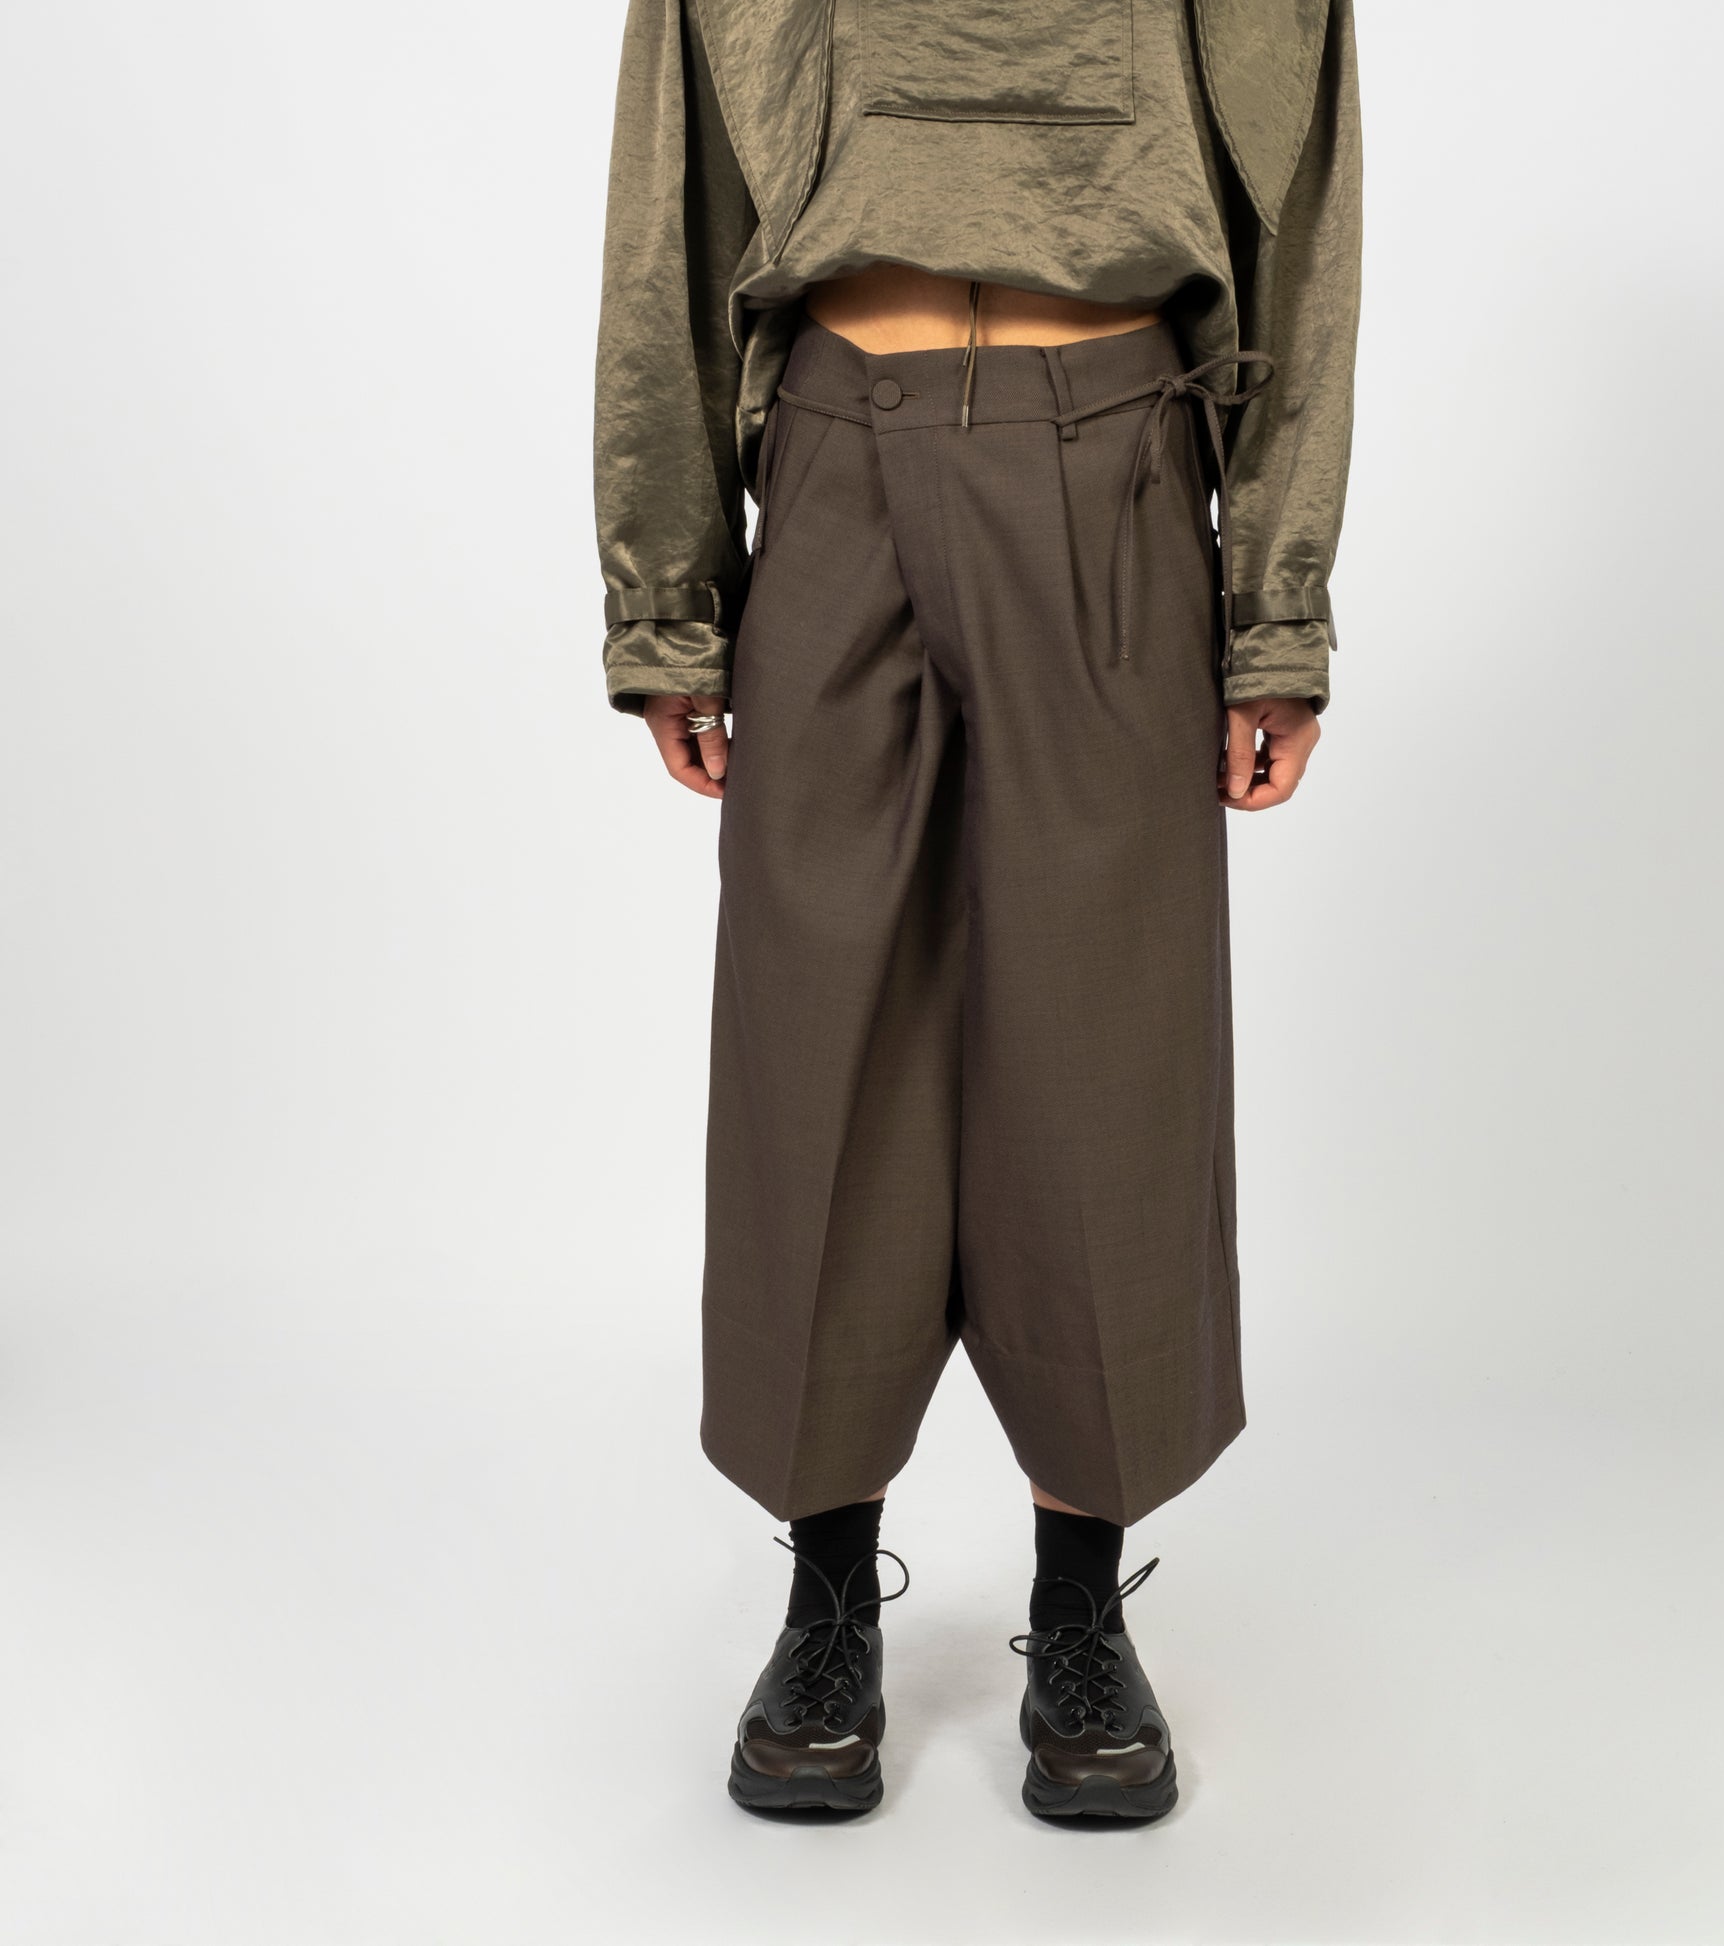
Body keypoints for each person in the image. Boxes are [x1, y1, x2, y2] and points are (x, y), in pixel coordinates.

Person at [593, 0, 1360, 1821]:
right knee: (814, 1036)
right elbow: (671, 216)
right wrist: (668, 597)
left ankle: (1081, 1606)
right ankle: (825, 1595)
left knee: (1103, 1047)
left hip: (1114, 451)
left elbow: (1301, 225)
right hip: (835, 454)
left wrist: (1275, 610)